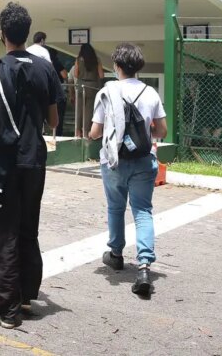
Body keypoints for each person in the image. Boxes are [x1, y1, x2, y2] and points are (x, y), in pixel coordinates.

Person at [0, 2, 59, 329]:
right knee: (27, 227)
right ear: (26, 31)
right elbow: (53, 119)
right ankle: (25, 294)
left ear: (2, 34)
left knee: (2, 232)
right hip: (34, 160)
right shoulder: (45, 68)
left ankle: (8, 309)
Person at [89, 43, 167, 296]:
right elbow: (161, 131)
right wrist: (142, 133)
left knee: (115, 207)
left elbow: (95, 132)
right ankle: (144, 266)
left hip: (114, 162)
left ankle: (116, 254)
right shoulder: (151, 92)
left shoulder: (107, 92)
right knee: (142, 211)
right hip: (144, 160)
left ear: (117, 66)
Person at [34, 32, 68, 137]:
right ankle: (56, 134)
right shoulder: (44, 53)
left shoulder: (28, 50)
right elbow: (62, 74)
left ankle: (41, 132)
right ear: (43, 40)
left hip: (33, 86)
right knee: (56, 115)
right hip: (48, 88)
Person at [74, 43, 104, 138]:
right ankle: (86, 133)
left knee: (79, 109)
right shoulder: (96, 60)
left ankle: (77, 132)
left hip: (81, 85)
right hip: (92, 86)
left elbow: (75, 74)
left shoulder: (78, 59)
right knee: (89, 110)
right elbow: (101, 75)